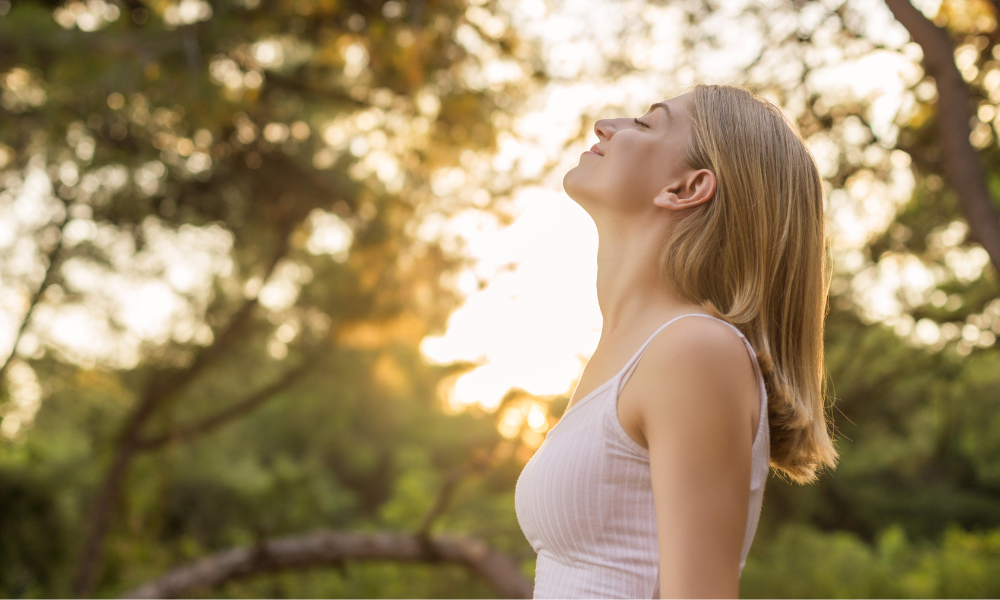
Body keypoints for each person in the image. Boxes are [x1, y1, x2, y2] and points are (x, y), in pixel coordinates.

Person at [513, 85, 840, 599]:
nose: (606, 125)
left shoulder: (693, 351)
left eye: (644, 125)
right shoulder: (631, 350)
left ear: (687, 188)